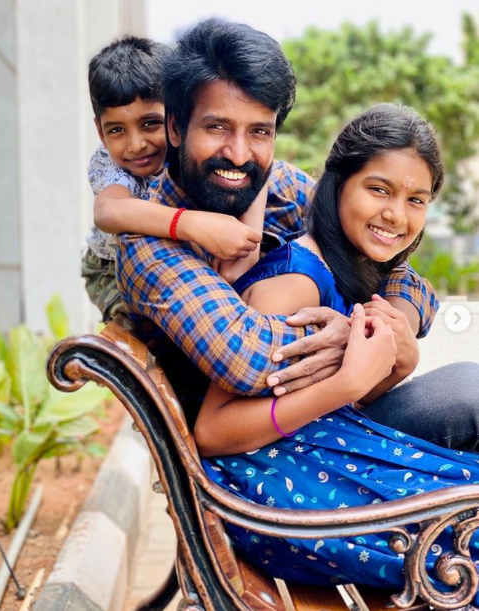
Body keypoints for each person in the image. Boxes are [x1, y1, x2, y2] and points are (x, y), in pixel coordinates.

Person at [116, 19, 479, 445]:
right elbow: (248, 356)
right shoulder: (148, 242)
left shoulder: (276, 185)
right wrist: (361, 337)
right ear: (176, 128)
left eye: (259, 132)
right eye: (217, 127)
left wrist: (393, 330)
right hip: (263, 460)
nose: (238, 152)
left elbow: (394, 265)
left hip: (320, 422)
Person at [194, 104, 479, 598]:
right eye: (379, 189)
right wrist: (350, 382)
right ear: (337, 183)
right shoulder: (296, 285)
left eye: (416, 199)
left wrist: (394, 369)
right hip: (280, 499)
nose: (397, 214)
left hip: (319, 459)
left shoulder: (352, 268)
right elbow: (212, 431)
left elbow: (328, 400)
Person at [82, 35, 263, 322]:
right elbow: (108, 211)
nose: (136, 144)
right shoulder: (111, 166)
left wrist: (249, 250)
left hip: (180, 252)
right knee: (145, 337)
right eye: (116, 130)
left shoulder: (191, 147)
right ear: (100, 132)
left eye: (149, 123)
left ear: (175, 120)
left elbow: (258, 176)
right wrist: (190, 224)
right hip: (112, 267)